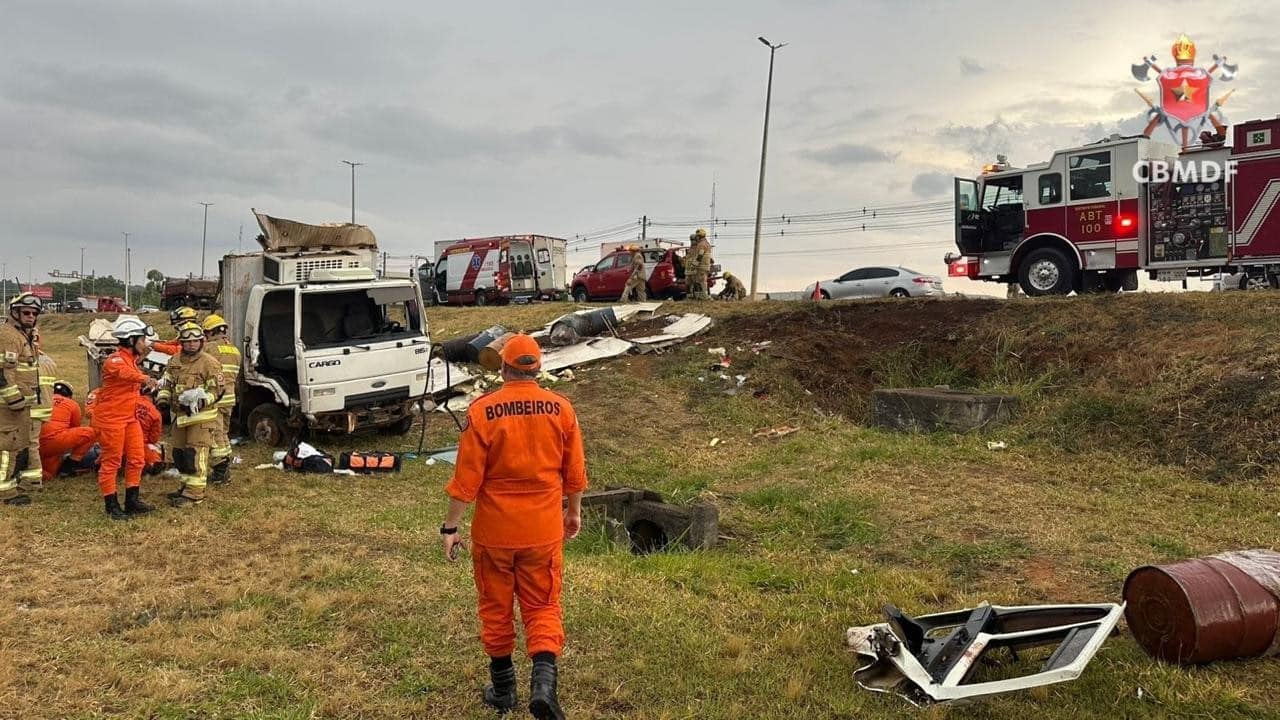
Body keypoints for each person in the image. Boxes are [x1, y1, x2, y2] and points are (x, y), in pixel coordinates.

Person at [441, 334, 588, 720]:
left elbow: (466, 480)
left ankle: (504, 691)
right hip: (543, 531)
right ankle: (544, 686)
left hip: (495, 534)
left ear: (504, 367)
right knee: (543, 605)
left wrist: (450, 528)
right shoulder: (562, 409)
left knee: (495, 606)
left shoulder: (482, 411)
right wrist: (573, 512)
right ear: (538, 368)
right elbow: (574, 472)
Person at [92, 316, 159, 520]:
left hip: (129, 418)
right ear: (131, 340)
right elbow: (124, 373)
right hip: (111, 420)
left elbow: (133, 367)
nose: (144, 343)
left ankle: (132, 500)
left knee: (137, 459)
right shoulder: (115, 360)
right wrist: (145, 378)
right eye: (141, 339)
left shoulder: (131, 359)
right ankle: (111, 505)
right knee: (111, 462)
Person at [157, 321, 225, 507]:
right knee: (180, 454)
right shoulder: (175, 361)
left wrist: (201, 401)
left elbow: (217, 390)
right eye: (187, 342)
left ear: (202, 342)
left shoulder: (209, 363)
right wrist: (163, 399)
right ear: (181, 343)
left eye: (195, 341)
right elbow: (167, 382)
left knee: (195, 454)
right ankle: (185, 487)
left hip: (201, 419)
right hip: (180, 417)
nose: (191, 344)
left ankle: (195, 494)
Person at [0, 293, 46, 505]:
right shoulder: (8, 336)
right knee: (6, 447)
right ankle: (5, 493)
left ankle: (21, 484)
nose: (31, 317)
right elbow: (3, 372)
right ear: (15, 313)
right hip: (8, 405)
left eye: (34, 314)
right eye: (26, 312)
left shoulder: (23, 335)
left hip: (22, 405)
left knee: (20, 445)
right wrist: (14, 399)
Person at [202, 313, 240, 485]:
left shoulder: (209, 348)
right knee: (223, 433)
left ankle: (220, 473)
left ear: (211, 332)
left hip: (215, 398)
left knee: (215, 435)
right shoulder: (234, 350)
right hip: (229, 398)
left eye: (206, 333)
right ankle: (225, 469)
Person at [38, 381, 99, 480]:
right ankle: (69, 466)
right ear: (69, 395)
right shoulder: (71, 404)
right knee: (90, 432)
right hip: (54, 442)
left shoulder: (42, 401)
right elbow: (74, 428)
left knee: (48, 473)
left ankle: (25, 470)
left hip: (35, 444)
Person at [685, 228, 712, 300]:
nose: (696, 238)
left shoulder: (701, 244)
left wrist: (694, 265)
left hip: (701, 266)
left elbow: (700, 255)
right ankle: (700, 297)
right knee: (699, 282)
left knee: (701, 282)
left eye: (697, 236)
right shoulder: (706, 244)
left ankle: (704, 297)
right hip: (703, 266)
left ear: (699, 236)